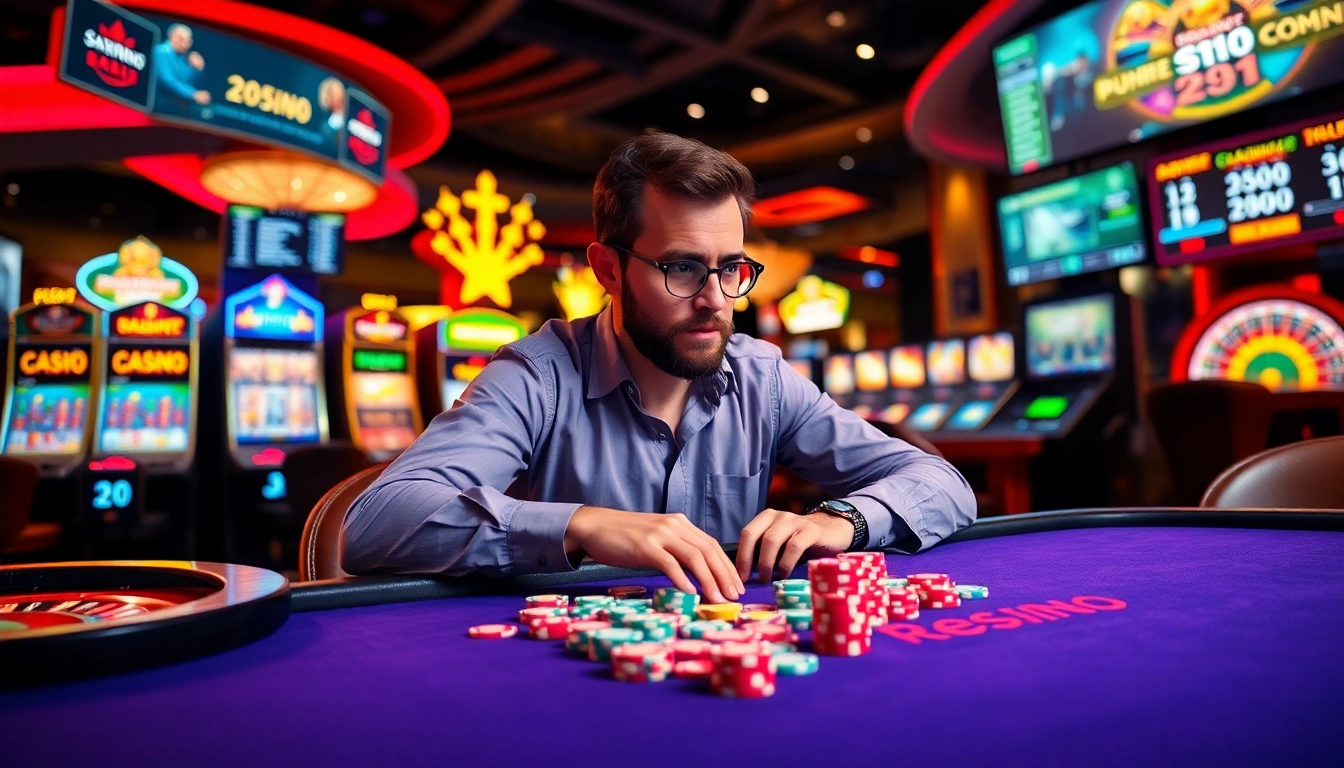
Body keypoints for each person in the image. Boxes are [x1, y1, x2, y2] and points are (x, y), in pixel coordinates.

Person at [342, 132, 976, 602]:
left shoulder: (765, 377)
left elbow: (943, 483)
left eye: (731, 269)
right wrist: (583, 525)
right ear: (609, 269)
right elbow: (374, 523)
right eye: (681, 268)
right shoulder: (535, 375)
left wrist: (845, 519)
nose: (714, 299)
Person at [153, 23, 209, 111]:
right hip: (157, 103)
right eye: (180, 39)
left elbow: (186, 81)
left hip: (173, 107)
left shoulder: (183, 59)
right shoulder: (161, 51)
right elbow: (167, 79)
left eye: (188, 41)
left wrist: (197, 70)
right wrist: (193, 94)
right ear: (171, 36)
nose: (184, 44)